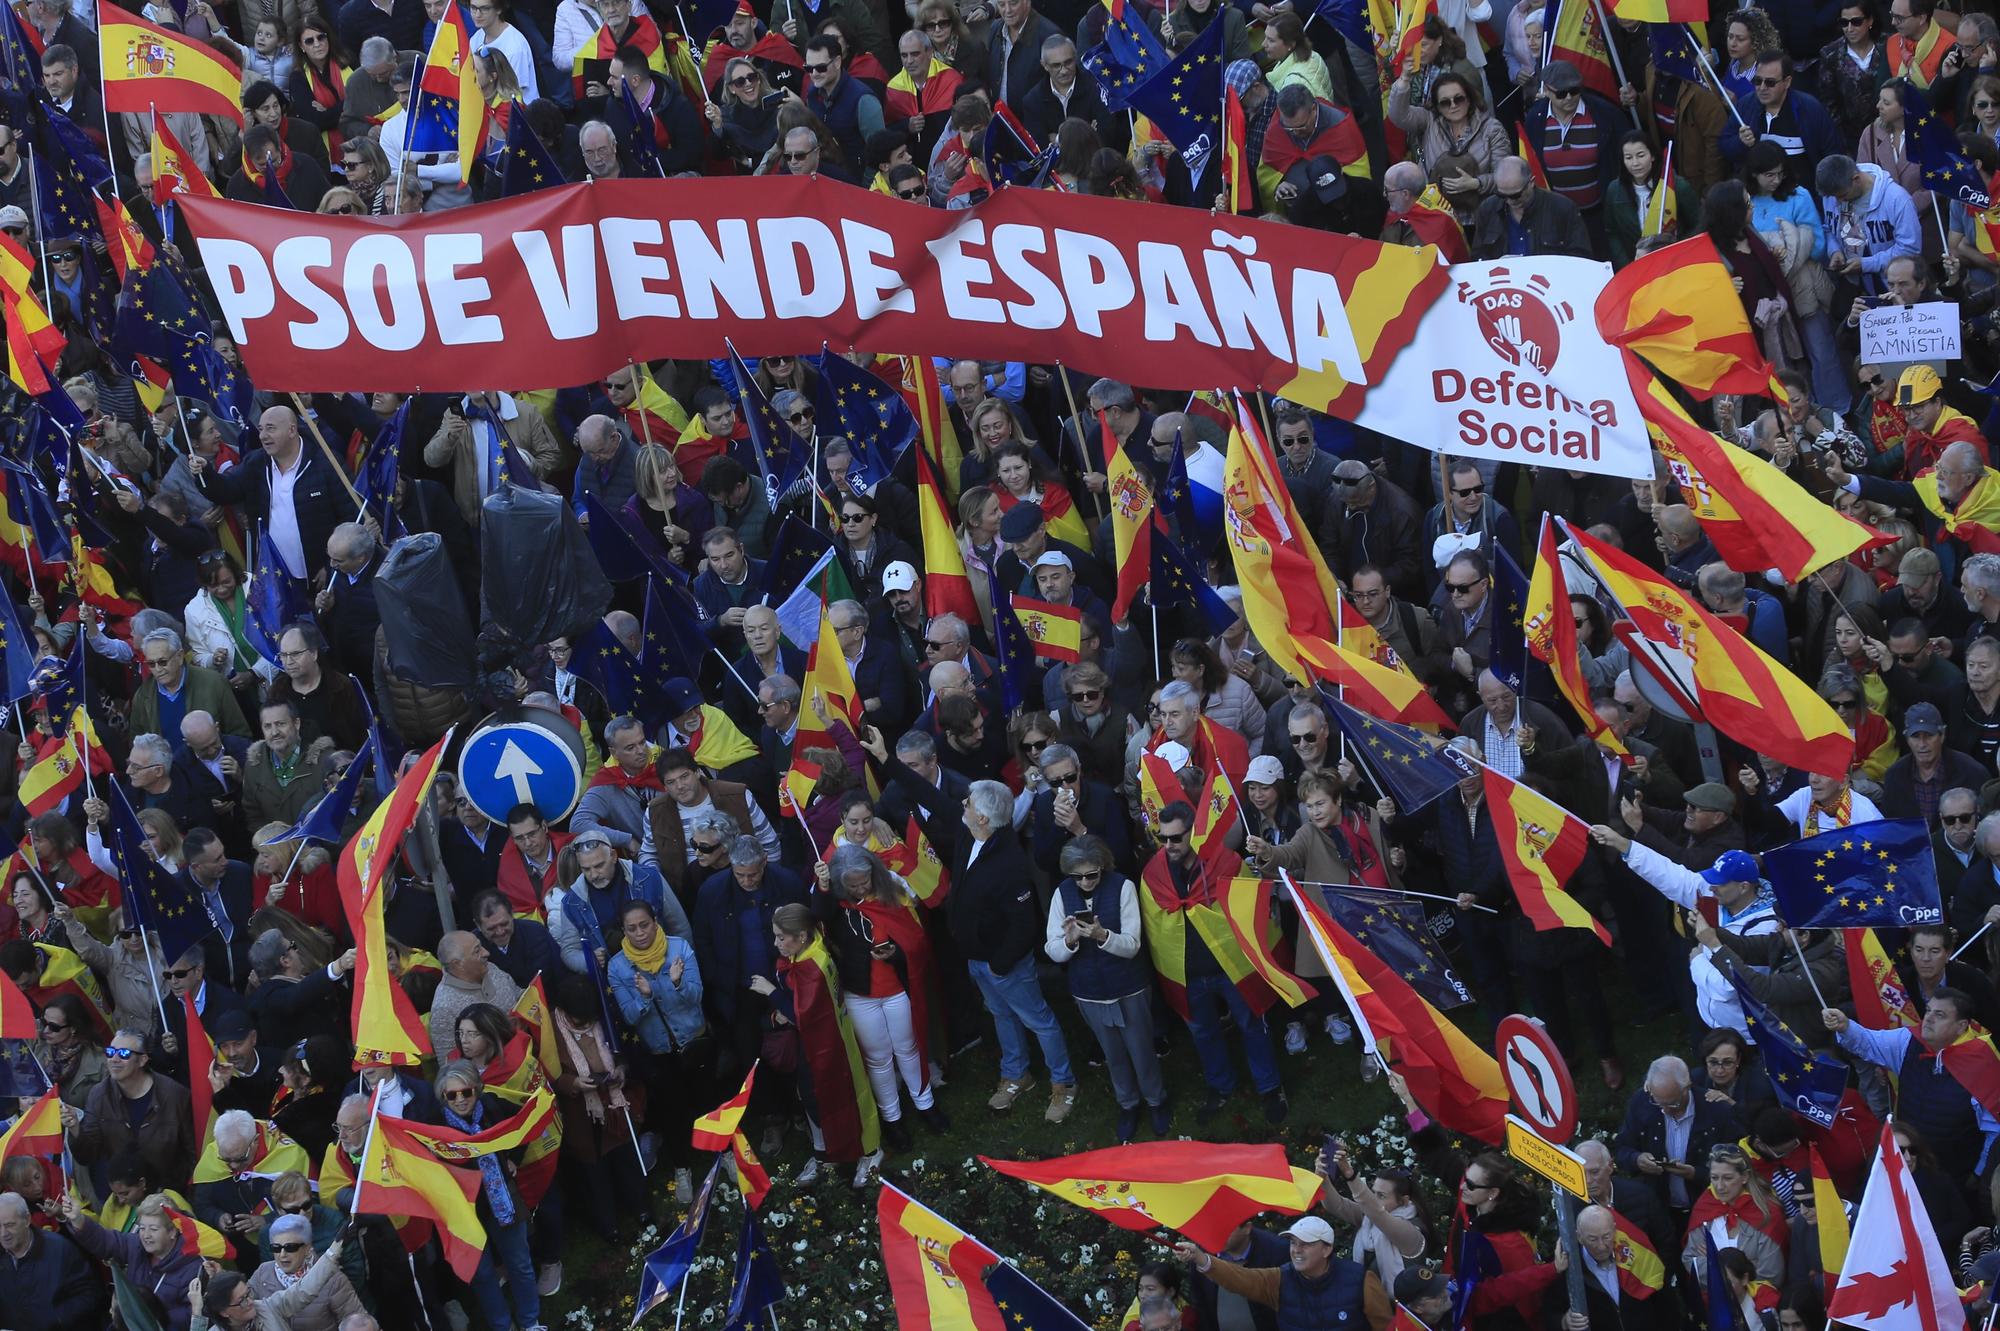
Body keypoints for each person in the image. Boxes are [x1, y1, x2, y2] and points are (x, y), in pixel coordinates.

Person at [1044, 835, 1167, 1143]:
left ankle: (1156, 1101)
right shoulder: (1061, 893)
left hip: (1129, 987)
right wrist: (1071, 940)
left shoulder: (1123, 886)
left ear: (1103, 867)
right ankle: (1128, 1104)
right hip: (1089, 992)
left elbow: (1132, 945)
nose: (1084, 882)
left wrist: (1101, 935)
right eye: (1077, 876)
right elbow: (1053, 950)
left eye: (1091, 874)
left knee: (1141, 1051)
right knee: (1113, 1055)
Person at [1172, 1216, 1391, 1328]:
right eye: (1293, 1243)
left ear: (1327, 1249)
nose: (1296, 1250)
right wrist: (1202, 1259)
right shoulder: (1280, 1279)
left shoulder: (1360, 1280)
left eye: (1306, 1244)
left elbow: (1387, 1327)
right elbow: (1240, 1279)